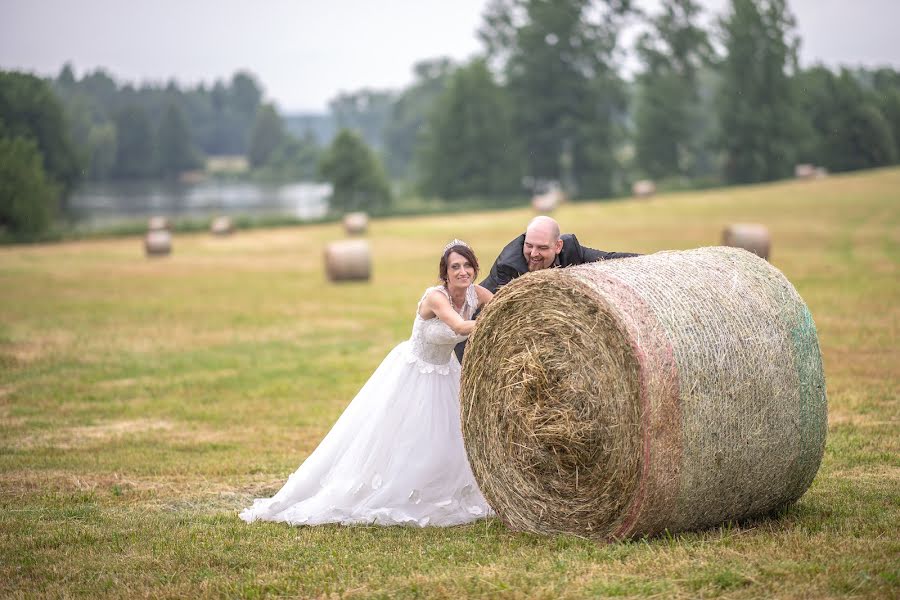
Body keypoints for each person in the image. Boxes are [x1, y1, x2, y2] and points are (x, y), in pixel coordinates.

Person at [240, 240, 495, 527]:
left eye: (467, 265)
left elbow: (502, 302)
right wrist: (498, 321)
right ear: (445, 274)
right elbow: (460, 327)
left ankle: (444, 489)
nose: (463, 271)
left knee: (451, 435)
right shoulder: (436, 297)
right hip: (414, 373)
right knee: (404, 436)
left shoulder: (476, 293)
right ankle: (395, 491)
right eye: (455, 267)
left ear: (475, 268)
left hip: (445, 371)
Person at [455, 216, 639, 362]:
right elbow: (509, 320)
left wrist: (654, 262)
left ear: (558, 246)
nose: (534, 254)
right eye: (529, 246)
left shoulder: (571, 249)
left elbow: (608, 259)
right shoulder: (509, 267)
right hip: (474, 341)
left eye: (542, 248)